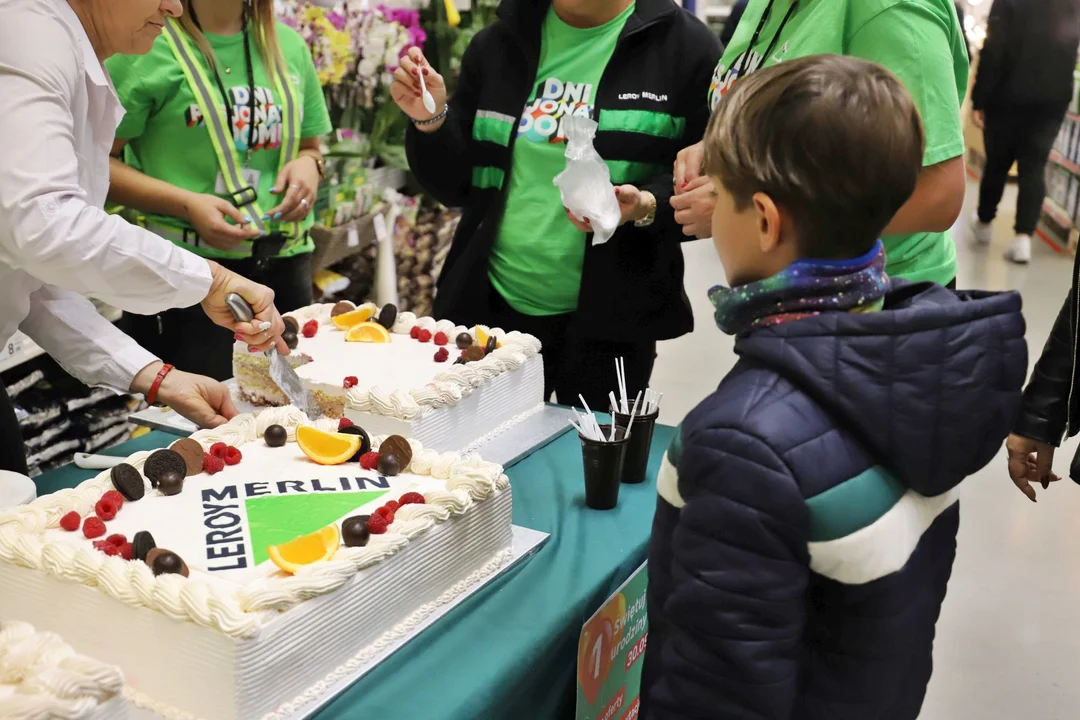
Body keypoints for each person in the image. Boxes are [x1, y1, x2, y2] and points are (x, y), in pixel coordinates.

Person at [641, 56, 1027, 719]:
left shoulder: (744, 445)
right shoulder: (915, 362)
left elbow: (715, 694)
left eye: (720, 193)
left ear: (763, 219)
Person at [0, 0, 291, 475]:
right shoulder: (28, 35)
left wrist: (156, 377)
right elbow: (43, 226)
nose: (175, 6)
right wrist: (209, 280)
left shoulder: (68, 49)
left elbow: (30, 275)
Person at [391, 0, 721, 409]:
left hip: (614, 321)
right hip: (492, 310)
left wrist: (646, 205)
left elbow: (712, 190)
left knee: (589, 464)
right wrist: (431, 119)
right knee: (483, 461)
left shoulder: (686, 50)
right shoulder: (499, 43)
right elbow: (458, 186)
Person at [106, 0, 332, 380]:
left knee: (293, 416)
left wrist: (311, 166)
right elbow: (95, 166)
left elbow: (310, 148)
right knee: (203, 428)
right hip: (187, 278)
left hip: (285, 267)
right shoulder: (144, 46)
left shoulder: (288, 45)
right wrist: (186, 204)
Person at [672, 0, 969, 288]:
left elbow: (938, 195)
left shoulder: (887, 7)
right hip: (780, 288)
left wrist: (750, 208)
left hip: (872, 302)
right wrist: (719, 146)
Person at [970, 0, 1080, 264]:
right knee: (1034, 166)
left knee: (997, 163)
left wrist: (980, 98)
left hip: (1006, 96)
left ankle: (984, 223)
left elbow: (994, 49)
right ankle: (1023, 239)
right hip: (1051, 101)